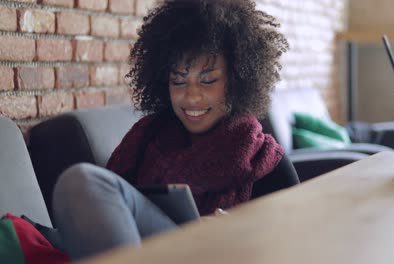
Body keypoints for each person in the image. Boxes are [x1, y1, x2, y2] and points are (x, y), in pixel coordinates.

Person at [52, 0, 298, 260]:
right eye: (178, 81)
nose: (191, 97)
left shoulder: (264, 160)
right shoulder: (144, 141)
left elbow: (298, 244)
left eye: (208, 81)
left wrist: (235, 237)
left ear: (238, 80)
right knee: (79, 182)